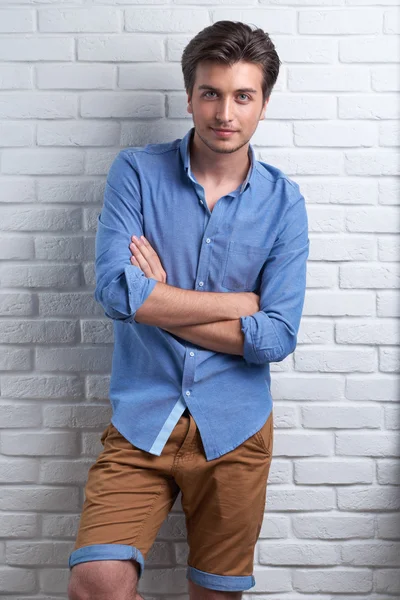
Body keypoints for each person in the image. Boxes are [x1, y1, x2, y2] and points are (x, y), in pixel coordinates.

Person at [67, 20, 309, 600]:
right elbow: (117, 293)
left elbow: (276, 336)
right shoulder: (137, 173)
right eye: (211, 93)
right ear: (190, 96)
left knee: (216, 596)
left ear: (263, 104)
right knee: (96, 584)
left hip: (236, 428)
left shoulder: (284, 203)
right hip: (141, 419)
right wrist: (236, 305)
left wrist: (159, 300)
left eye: (242, 96)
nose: (225, 111)